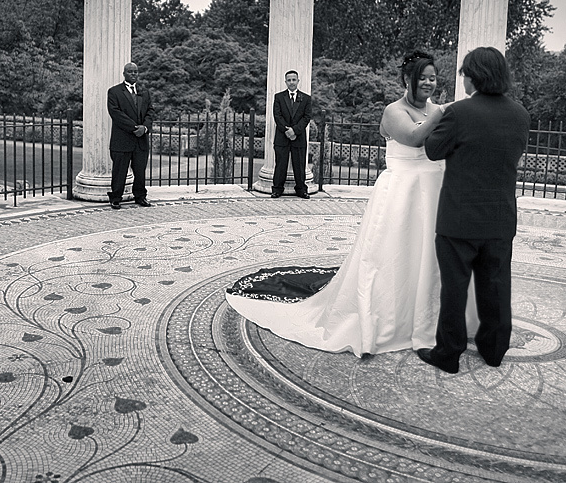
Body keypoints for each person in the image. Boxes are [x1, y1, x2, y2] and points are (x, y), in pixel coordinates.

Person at [226, 51, 478, 356]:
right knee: (396, 255)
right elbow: (413, 138)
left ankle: (437, 319)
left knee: (434, 258)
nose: (428, 82)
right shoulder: (393, 111)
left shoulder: (439, 108)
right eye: (422, 77)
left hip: (436, 190)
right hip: (402, 194)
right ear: (406, 79)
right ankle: (392, 321)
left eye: (433, 77)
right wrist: (442, 113)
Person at [417, 47, 530, 374]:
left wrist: (438, 118)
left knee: (454, 289)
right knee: (496, 287)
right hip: (499, 218)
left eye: (464, 73)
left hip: (459, 219)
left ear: (475, 75)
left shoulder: (460, 112)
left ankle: (448, 354)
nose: (462, 79)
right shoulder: (521, 115)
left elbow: (434, 150)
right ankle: (494, 350)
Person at [106, 62, 155, 209]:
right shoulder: (114, 92)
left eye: (135, 72)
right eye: (130, 72)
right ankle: (115, 198)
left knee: (140, 171)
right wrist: (135, 128)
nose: (133, 74)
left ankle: (140, 197)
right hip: (122, 140)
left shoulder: (144, 92)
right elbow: (115, 113)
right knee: (119, 171)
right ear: (124, 74)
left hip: (141, 141)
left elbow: (150, 112)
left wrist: (145, 128)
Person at [271, 70, 312, 198]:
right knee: (280, 164)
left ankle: (301, 189)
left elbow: (307, 117)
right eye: (289, 80)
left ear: (298, 81)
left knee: (299, 165)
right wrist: (287, 130)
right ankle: (277, 189)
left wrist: (295, 131)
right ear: (286, 82)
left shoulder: (306, 98)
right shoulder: (279, 97)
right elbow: (277, 116)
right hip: (282, 137)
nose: (291, 82)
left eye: (294, 80)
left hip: (298, 137)